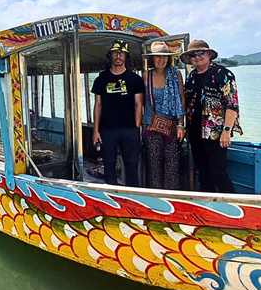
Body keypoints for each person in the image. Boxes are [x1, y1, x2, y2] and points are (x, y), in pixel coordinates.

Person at [181, 39, 241, 193]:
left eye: (200, 53)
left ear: (209, 54)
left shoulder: (223, 74)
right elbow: (187, 103)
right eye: (193, 54)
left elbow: (232, 105)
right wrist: (185, 128)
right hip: (195, 132)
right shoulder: (192, 76)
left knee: (218, 173)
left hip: (216, 133)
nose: (197, 57)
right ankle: (210, 207)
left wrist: (226, 131)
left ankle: (232, 207)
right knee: (203, 172)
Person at [91, 40, 145, 186]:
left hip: (129, 129)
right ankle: (112, 199)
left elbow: (139, 104)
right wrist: (96, 130)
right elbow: (98, 105)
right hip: (108, 130)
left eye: (121, 53)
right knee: (109, 166)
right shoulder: (101, 80)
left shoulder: (135, 79)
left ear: (126, 56)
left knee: (131, 166)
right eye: (115, 53)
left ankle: (133, 199)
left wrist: (136, 127)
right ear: (110, 55)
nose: (118, 56)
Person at [142, 41, 185, 189]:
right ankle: (155, 199)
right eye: (158, 56)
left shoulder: (175, 74)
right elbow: (140, 102)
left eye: (165, 56)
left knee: (172, 166)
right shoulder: (146, 76)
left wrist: (180, 124)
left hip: (171, 126)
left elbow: (181, 99)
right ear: (152, 59)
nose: (161, 60)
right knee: (154, 166)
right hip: (151, 125)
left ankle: (171, 198)